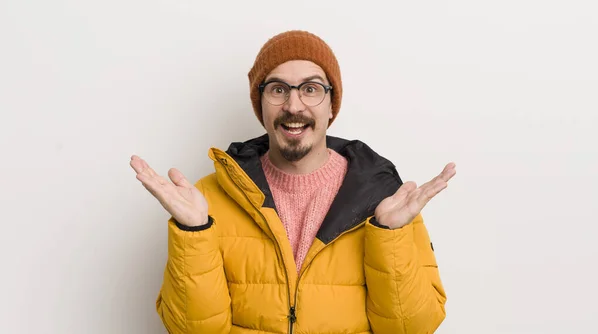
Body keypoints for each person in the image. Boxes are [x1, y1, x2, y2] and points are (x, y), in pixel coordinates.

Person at [130, 30, 456, 334]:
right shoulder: (207, 198)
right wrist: (194, 233)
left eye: (311, 89)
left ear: (332, 105)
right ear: (261, 104)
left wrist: (390, 238)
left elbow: (411, 328)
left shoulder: (386, 198)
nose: (294, 105)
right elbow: (191, 330)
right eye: (278, 89)